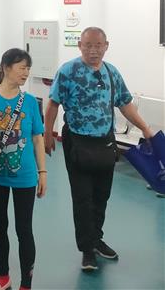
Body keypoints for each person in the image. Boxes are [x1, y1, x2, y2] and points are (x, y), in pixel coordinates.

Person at [44, 26, 153, 271]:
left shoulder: (111, 73)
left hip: (104, 142)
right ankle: (86, 250)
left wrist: (145, 128)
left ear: (106, 45)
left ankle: (97, 239)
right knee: (83, 198)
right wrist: (47, 133)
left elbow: (126, 105)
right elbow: (53, 105)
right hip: (77, 143)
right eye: (88, 45)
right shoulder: (68, 71)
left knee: (101, 196)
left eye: (98, 45)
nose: (93, 50)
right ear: (80, 46)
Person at [0, 48, 47, 290]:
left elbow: (38, 139)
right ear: (6, 67)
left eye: (28, 68)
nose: (26, 73)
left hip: (25, 176)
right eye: (22, 67)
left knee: (24, 229)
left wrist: (43, 172)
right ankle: (4, 277)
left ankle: (26, 284)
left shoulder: (29, 102)